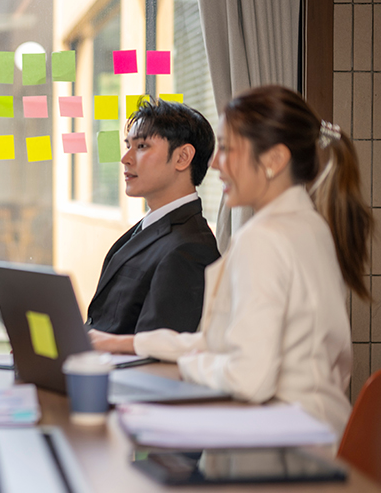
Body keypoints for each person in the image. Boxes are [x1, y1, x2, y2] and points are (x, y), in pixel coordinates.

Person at [94, 85, 372, 436]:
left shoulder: (264, 238)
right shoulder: (309, 225)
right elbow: (221, 340)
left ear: (273, 160)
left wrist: (186, 366)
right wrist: (127, 343)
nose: (214, 163)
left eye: (227, 148)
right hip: (318, 428)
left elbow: (248, 378)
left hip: (289, 444)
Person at [85, 98, 220, 337]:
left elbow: (156, 352)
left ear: (182, 157)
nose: (125, 158)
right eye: (128, 145)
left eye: (142, 146)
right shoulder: (151, 226)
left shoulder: (191, 248)